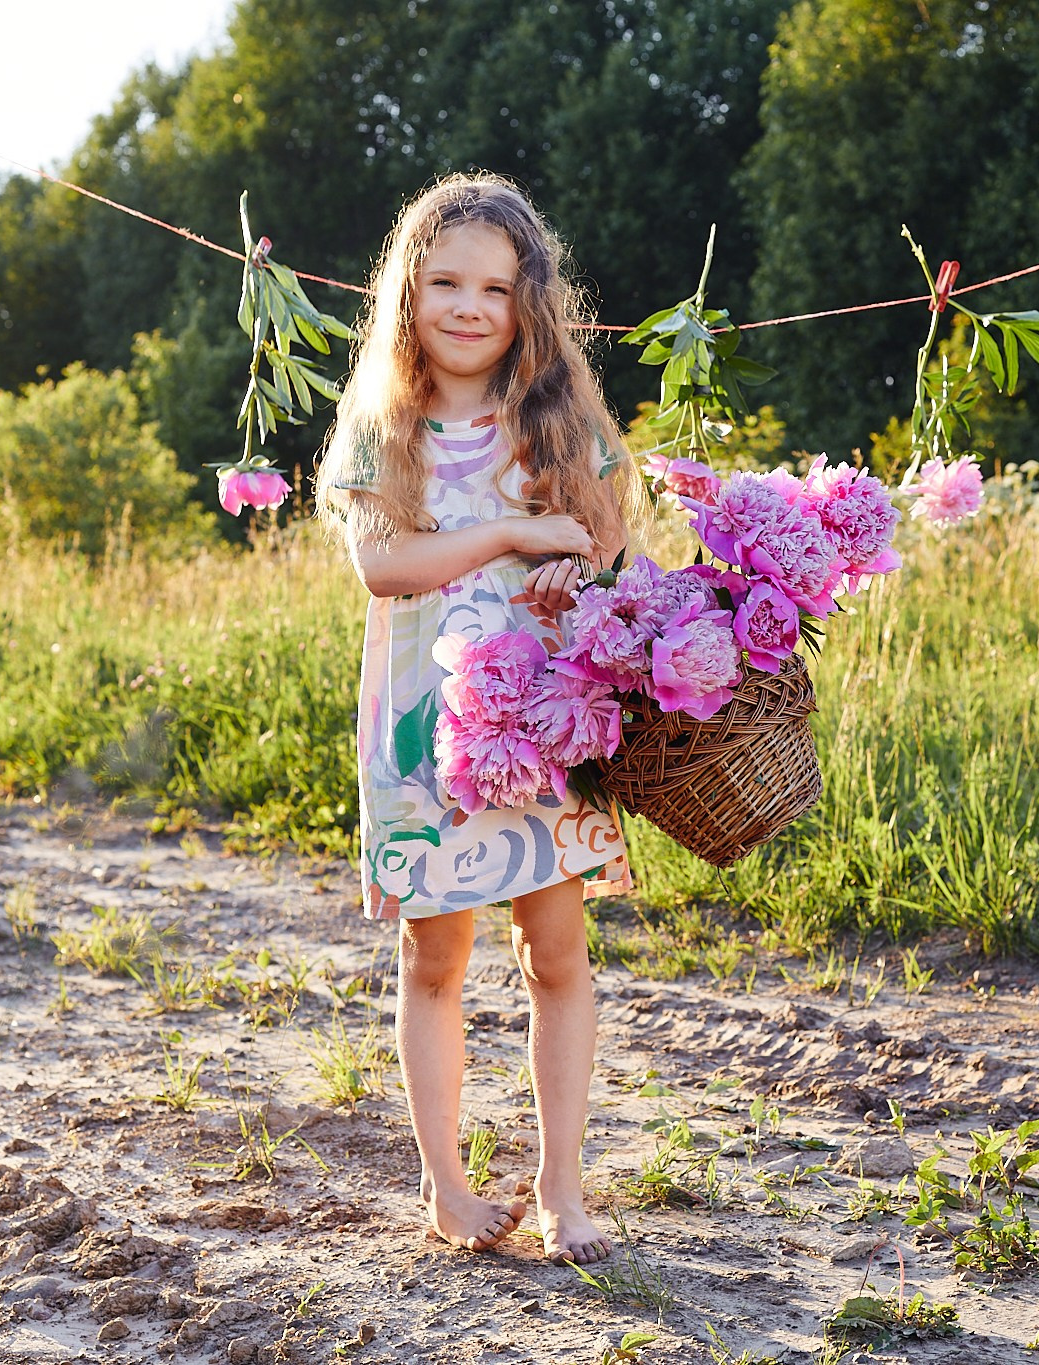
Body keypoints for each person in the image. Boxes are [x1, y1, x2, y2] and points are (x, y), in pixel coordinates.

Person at [315, 173, 634, 1266]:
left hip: (541, 715)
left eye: (492, 288)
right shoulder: (380, 423)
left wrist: (566, 577)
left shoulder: (558, 421)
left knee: (555, 953)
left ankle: (562, 1191)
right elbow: (382, 566)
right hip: (421, 724)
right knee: (434, 955)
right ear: (407, 293)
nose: (465, 307)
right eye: (442, 281)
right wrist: (510, 539)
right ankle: (445, 1184)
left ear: (527, 302)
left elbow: (603, 550)